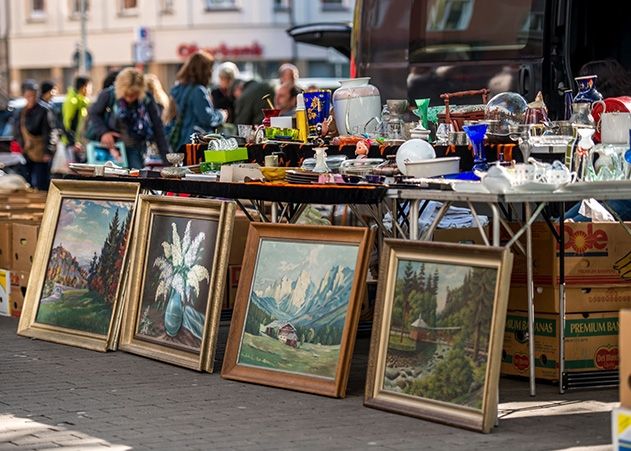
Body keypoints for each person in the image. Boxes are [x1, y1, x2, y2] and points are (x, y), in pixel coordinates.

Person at [87, 67, 168, 169]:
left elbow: (157, 126)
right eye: (127, 94)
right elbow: (94, 113)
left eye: (134, 95)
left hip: (137, 149)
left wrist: (166, 157)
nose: (130, 98)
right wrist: (104, 132)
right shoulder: (108, 95)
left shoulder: (146, 98)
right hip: (113, 150)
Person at [168, 51, 226, 151]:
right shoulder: (198, 91)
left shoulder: (179, 88)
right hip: (196, 142)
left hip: (181, 141)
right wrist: (221, 115)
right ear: (203, 70)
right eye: (210, 69)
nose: (211, 72)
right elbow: (206, 118)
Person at [16, 81, 60, 190]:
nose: (31, 98)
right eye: (28, 95)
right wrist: (21, 147)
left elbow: (50, 131)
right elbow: (17, 130)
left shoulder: (44, 110)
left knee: (42, 184)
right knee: (27, 183)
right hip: (27, 151)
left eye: (33, 95)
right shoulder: (22, 111)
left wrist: (48, 151)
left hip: (41, 153)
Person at [62, 75, 91, 161]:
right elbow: (68, 123)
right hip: (72, 143)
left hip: (77, 142)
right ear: (84, 87)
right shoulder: (73, 101)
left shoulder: (80, 101)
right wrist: (73, 142)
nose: (90, 90)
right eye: (89, 86)